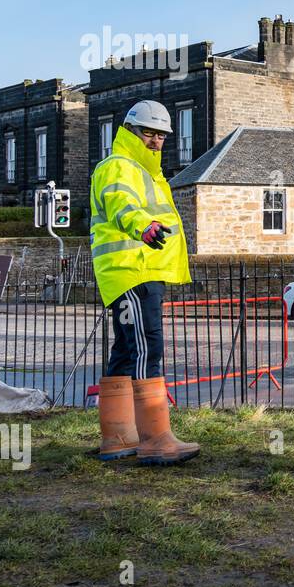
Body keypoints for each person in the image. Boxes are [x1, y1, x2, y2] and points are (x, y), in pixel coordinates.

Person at [91, 100, 198, 466]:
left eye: (161, 135)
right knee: (146, 348)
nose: (156, 141)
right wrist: (144, 226)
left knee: (126, 349)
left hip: (136, 271)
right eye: (149, 133)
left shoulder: (148, 172)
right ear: (130, 131)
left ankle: (117, 437)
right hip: (132, 270)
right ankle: (155, 439)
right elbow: (119, 204)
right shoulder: (119, 166)